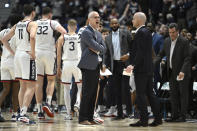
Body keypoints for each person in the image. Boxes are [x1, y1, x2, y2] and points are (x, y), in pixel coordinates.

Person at [1, 4, 37, 124]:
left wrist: (12, 52)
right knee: (32, 85)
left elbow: (4, 39)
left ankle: (20, 114)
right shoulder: (32, 24)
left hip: (17, 56)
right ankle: (23, 114)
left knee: (23, 86)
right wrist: (32, 51)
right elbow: (32, 36)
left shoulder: (17, 25)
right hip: (27, 55)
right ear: (32, 13)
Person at [126, 12, 162, 127]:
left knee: (141, 94)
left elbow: (140, 51)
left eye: (133, 19)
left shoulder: (141, 32)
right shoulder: (146, 31)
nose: (132, 21)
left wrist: (133, 64)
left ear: (139, 20)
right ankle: (158, 118)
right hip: (148, 68)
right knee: (150, 94)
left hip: (141, 69)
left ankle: (143, 120)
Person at [35, 7, 67, 119]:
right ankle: (48, 103)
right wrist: (57, 43)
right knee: (51, 80)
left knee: (38, 82)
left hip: (37, 53)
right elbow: (64, 32)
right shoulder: (52, 22)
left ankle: (39, 110)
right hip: (49, 53)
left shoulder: (35, 23)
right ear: (49, 14)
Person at [155, 23, 190, 122]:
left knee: (183, 95)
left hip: (181, 73)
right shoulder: (166, 41)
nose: (172, 35)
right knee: (173, 95)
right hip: (171, 72)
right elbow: (161, 54)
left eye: (173, 32)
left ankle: (183, 117)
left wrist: (183, 71)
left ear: (177, 31)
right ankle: (174, 115)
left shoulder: (184, 41)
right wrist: (154, 62)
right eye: (170, 33)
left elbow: (187, 58)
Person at [78, 11, 106, 125]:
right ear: (89, 20)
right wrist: (97, 47)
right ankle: (83, 118)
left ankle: (90, 117)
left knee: (94, 93)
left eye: (99, 17)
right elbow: (94, 45)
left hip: (96, 65)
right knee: (87, 92)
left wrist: (97, 48)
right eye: (95, 17)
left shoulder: (98, 33)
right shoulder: (86, 32)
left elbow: (104, 48)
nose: (98, 19)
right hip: (87, 65)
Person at [103, 18, 132, 119]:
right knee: (117, 90)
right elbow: (106, 54)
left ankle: (129, 112)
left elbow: (133, 47)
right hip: (114, 66)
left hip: (125, 64)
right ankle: (120, 114)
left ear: (118, 24)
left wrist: (128, 55)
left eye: (116, 23)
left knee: (126, 88)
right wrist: (104, 65)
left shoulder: (126, 33)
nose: (114, 25)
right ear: (110, 25)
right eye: (112, 23)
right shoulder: (108, 38)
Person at [57, 19, 82, 120]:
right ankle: (77, 103)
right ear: (76, 27)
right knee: (80, 87)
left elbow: (58, 55)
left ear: (67, 26)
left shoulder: (62, 37)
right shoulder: (80, 36)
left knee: (66, 89)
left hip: (66, 63)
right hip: (77, 62)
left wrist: (58, 68)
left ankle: (68, 113)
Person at [0, 14, 23, 122]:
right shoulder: (18, 32)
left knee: (5, 89)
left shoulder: (3, 31)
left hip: (3, 62)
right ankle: (14, 114)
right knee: (15, 89)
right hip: (13, 62)